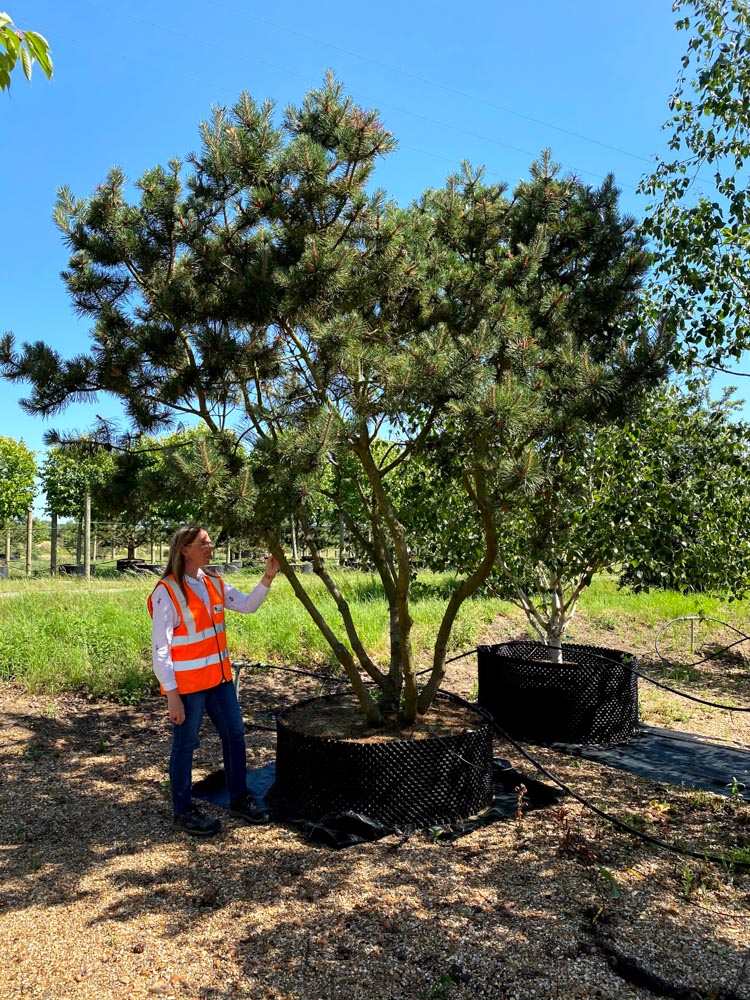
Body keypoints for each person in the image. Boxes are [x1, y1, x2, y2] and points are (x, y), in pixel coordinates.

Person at [148, 525, 280, 836]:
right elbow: (160, 649)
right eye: (203, 543)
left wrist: (268, 577)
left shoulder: (214, 582)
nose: (210, 547)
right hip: (189, 688)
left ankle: (240, 797)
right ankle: (182, 810)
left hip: (219, 682)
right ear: (185, 550)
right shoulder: (167, 591)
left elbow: (247, 605)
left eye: (210, 542)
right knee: (186, 745)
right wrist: (172, 694)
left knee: (235, 735)